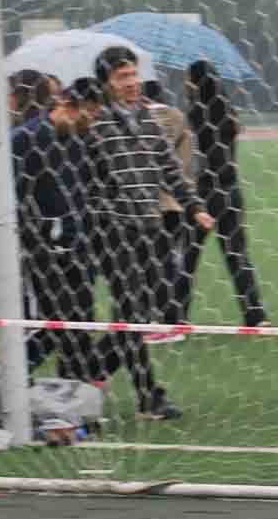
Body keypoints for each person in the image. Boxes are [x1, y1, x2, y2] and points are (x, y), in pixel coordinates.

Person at [85, 46, 213, 420]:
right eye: (122, 77)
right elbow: (84, 177)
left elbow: (170, 168)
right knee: (131, 311)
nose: (131, 82)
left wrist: (195, 207)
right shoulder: (96, 124)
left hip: (149, 226)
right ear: (106, 83)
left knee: (145, 310)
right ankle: (148, 397)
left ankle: (89, 369)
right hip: (112, 229)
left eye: (133, 75)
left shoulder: (147, 118)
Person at [13, 72, 104, 383]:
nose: (90, 121)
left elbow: (86, 189)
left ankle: (74, 389)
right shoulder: (26, 137)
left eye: (95, 115)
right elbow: (14, 194)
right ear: (65, 103)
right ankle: (9, 378)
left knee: (80, 322)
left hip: (78, 245)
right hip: (43, 250)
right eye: (87, 114)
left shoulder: (80, 140)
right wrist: (35, 237)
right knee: (57, 322)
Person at [183, 60, 269, 327]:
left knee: (186, 257)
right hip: (231, 190)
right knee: (237, 256)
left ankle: (175, 317)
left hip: (204, 192)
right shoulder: (229, 112)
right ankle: (255, 315)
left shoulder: (196, 112)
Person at [141, 78, 199, 334]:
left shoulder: (141, 119)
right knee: (172, 261)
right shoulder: (178, 117)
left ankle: (161, 320)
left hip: (150, 202)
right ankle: (177, 317)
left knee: (151, 264)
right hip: (178, 200)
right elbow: (187, 160)